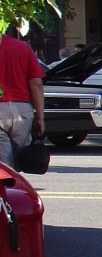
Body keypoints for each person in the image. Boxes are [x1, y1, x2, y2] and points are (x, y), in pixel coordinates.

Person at [0, 28, 46, 168]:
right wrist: (40, 118)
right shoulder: (23, 47)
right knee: (20, 160)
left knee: (3, 164)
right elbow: (36, 84)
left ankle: (6, 188)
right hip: (23, 110)